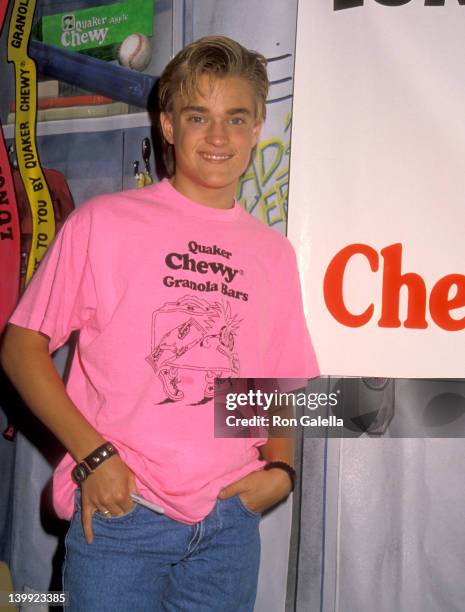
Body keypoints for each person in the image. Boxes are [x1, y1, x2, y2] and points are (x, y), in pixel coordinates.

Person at [0, 36, 319, 611]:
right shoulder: (106, 224)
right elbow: (21, 348)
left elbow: (277, 384)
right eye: (198, 116)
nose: (218, 137)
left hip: (228, 526)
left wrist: (281, 470)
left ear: (256, 129)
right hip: (124, 517)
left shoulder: (274, 254)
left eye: (235, 118)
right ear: (169, 125)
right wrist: (95, 457)